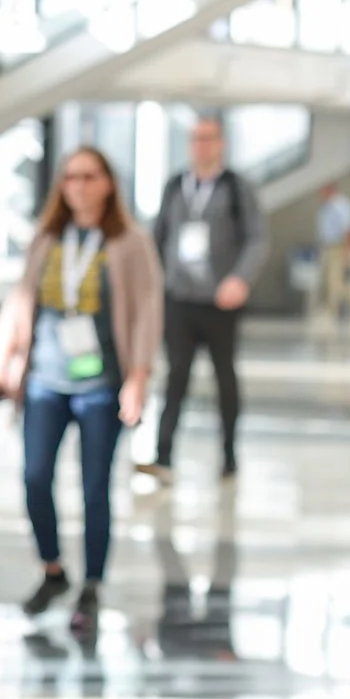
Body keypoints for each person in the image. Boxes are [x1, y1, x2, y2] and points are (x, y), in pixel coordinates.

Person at [0, 145, 161, 638]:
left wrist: (139, 376)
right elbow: (20, 301)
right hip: (44, 377)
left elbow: (147, 308)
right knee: (35, 477)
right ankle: (53, 570)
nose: (79, 186)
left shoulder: (128, 242)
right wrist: (1, 364)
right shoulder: (48, 239)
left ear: (108, 183)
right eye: (70, 178)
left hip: (101, 383)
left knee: (94, 488)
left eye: (88, 176)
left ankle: (93, 585)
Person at [141, 116, 265, 485]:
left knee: (224, 376)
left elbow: (257, 239)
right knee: (176, 374)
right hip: (180, 298)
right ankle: (163, 455)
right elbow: (158, 237)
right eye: (196, 139)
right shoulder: (176, 186)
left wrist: (239, 279)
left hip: (220, 301)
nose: (201, 145)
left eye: (208, 138)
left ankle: (229, 454)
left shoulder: (235, 187)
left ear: (220, 143)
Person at [311, 180, 350, 336]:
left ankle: (346, 311)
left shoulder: (341, 205)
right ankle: (328, 314)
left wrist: (349, 251)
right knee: (328, 281)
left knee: (336, 282)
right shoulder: (326, 207)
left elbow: (349, 228)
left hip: (338, 247)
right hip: (327, 247)